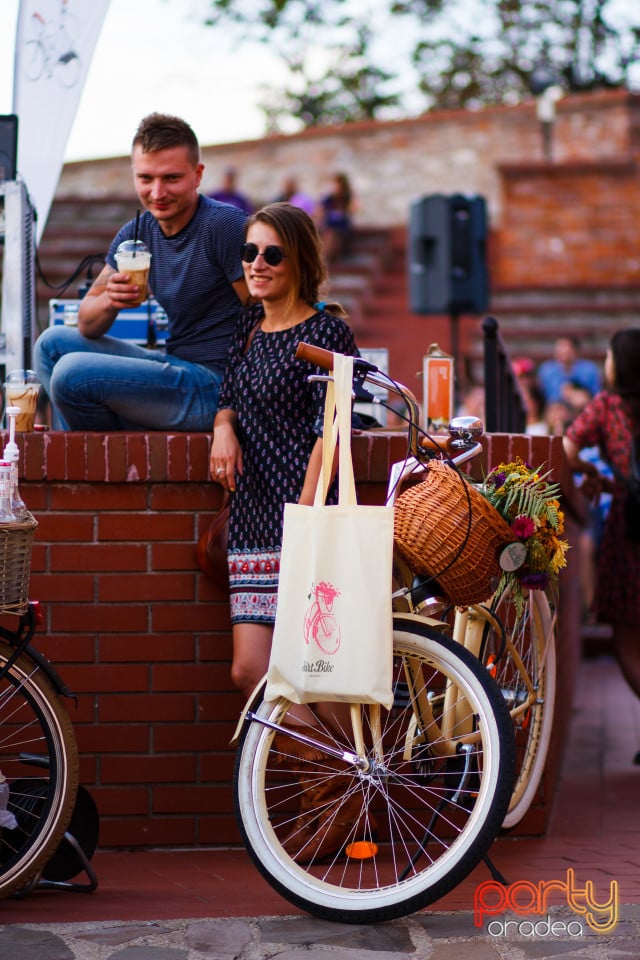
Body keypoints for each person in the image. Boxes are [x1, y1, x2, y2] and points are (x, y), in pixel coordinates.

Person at [210, 202, 360, 860]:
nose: (257, 266)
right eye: (249, 254)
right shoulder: (245, 325)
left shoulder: (330, 331)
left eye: (271, 254)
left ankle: (337, 799)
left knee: (311, 672)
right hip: (249, 519)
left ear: (300, 258)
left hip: (306, 515)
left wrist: (305, 509)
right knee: (251, 670)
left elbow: (336, 430)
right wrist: (221, 426)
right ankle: (352, 778)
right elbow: (224, 389)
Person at [33, 114, 249, 431]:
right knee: (50, 346)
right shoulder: (135, 233)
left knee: (72, 374)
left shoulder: (224, 226)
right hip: (176, 366)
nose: (157, 192)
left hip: (219, 386)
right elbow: (87, 323)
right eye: (146, 178)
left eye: (171, 178)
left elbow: (265, 315)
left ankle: (99, 456)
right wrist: (111, 300)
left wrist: (231, 416)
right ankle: (102, 454)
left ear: (197, 174)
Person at [563, 329, 640, 762]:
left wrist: (590, 475)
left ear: (618, 365)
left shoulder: (607, 406)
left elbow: (566, 448)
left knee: (628, 638)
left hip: (632, 530)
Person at [537, 335, 601, 405]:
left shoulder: (589, 369)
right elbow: (546, 396)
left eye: (566, 350)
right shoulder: (547, 370)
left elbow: (595, 395)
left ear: (575, 351)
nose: (562, 351)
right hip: (555, 409)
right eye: (559, 349)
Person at [318, 172, 354, 262]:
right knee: (328, 234)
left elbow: (353, 209)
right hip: (329, 226)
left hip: (341, 226)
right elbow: (320, 210)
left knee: (331, 236)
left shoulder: (347, 197)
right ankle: (325, 257)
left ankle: (325, 258)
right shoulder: (329, 198)